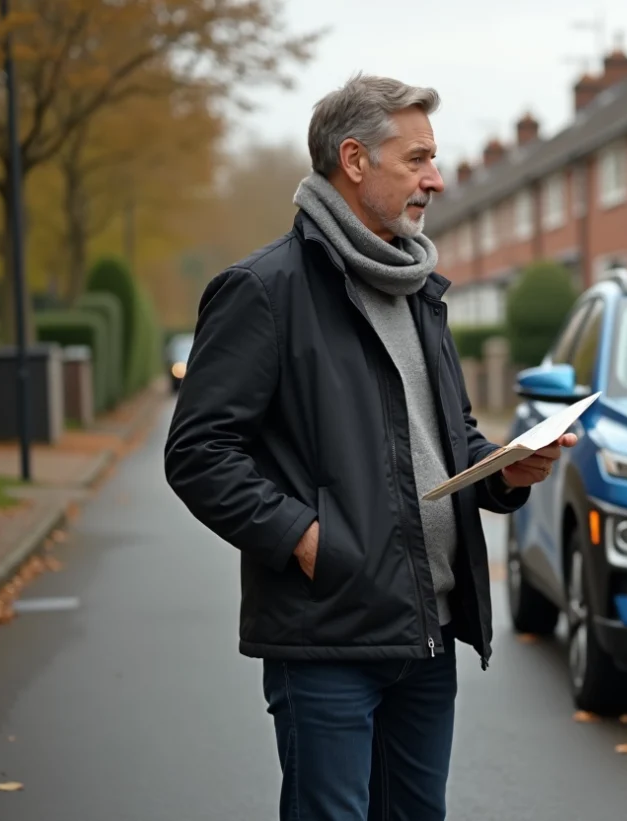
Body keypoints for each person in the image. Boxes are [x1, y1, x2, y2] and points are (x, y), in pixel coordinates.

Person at [163, 73, 574, 821]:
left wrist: (505, 470)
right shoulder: (263, 290)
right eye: (417, 159)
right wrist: (307, 538)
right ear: (353, 161)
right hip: (328, 634)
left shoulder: (419, 288)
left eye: (435, 159)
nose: (436, 179)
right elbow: (198, 450)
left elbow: (443, 434)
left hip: (429, 630)